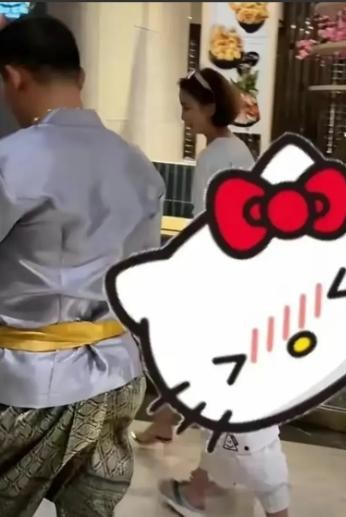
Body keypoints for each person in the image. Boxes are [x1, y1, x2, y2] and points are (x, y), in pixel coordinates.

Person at [0, 15, 165, 517]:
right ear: (81, 78)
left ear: (12, 77)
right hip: (117, 379)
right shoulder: (137, 164)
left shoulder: (11, 160)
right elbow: (143, 278)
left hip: (25, 387)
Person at [150, 68, 290, 517]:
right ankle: (197, 485)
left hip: (226, 294)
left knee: (237, 409)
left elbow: (208, 229)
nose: (184, 118)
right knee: (227, 401)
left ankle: (258, 502)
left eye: (188, 108)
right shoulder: (236, 150)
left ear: (210, 107)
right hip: (243, 290)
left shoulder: (216, 156)